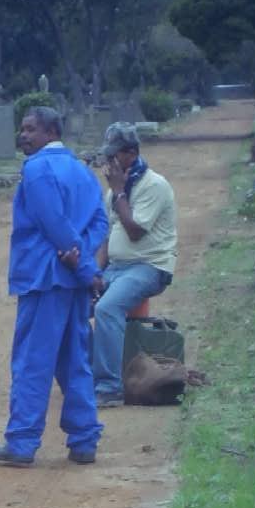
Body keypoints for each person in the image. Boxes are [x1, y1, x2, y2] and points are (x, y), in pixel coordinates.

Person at [0, 106, 108, 467]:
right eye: (22, 129)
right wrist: (84, 264)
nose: (22, 135)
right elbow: (100, 222)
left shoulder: (37, 169)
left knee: (32, 361)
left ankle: (22, 442)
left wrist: (82, 265)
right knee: (75, 359)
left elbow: (53, 223)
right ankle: (84, 439)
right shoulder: (83, 172)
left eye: (30, 129)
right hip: (71, 280)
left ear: (50, 131)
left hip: (45, 278)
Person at [91, 122, 177, 408]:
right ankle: (85, 377)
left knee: (107, 308)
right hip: (116, 268)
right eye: (107, 156)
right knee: (74, 308)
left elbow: (135, 230)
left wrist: (118, 191)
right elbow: (105, 239)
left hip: (149, 266)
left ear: (131, 153)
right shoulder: (113, 193)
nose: (109, 162)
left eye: (115, 155)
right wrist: (93, 274)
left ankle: (109, 388)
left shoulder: (154, 185)